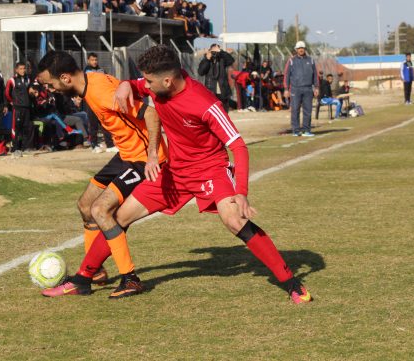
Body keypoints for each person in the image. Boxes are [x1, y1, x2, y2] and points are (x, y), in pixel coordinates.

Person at [49, 45, 313, 305]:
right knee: (118, 217)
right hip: (174, 172)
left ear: (168, 80)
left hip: (210, 169)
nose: (147, 87)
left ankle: (290, 283)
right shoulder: (158, 82)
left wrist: (241, 191)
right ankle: (83, 279)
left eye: (150, 82)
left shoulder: (205, 103)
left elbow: (238, 146)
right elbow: (136, 84)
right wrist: (127, 84)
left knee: (234, 220)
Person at [36, 50, 168, 298]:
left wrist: (152, 155)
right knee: (85, 204)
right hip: (126, 154)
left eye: (50, 84)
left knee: (100, 210)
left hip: (142, 158)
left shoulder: (100, 91)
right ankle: (93, 272)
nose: (50, 89)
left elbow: (151, 113)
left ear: (65, 78)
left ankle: (130, 279)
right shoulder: (91, 83)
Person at [284, 41, 318, 137]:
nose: (301, 49)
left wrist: (316, 87)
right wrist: (286, 89)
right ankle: (296, 130)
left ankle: (307, 130)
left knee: (308, 110)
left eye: (302, 48)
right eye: (299, 48)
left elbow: (315, 75)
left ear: (305, 49)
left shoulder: (311, 60)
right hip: (295, 89)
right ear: (296, 50)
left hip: (308, 89)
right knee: (295, 110)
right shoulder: (291, 61)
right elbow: (286, 75)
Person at [83, 53, 116, 153]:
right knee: (93, 124)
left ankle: (110, 145)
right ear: (88, 60)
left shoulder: (102, 70)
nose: (94, 62)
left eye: (96, 60)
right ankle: (94, 145)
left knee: (105, 123)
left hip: (102, 100)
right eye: (92, 60)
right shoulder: (86, 72)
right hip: (91, 100)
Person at [5, 62, 34, 154]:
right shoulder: (12, 80)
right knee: (16, 128)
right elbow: (6, 93)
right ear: (16, 70)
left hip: (26, 107)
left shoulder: (28, 79)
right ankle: (15, 148)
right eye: (21, 69)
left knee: (26, 127)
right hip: (17, 108)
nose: (23, 70)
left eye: (24, 68)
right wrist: (12, 102)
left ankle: (25, 148)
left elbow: (30, 91)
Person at [198, 44, 235, 112]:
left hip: (223, 89)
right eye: (213, 50)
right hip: (211, 90)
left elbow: (231, 60)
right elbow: (201, 72)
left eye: (216, 51)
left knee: (224, 111)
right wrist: (207, 59)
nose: (214, 53)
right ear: (210, 50)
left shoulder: (222, 59)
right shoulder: (206, 59)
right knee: (213, 111)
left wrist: (221, 52)